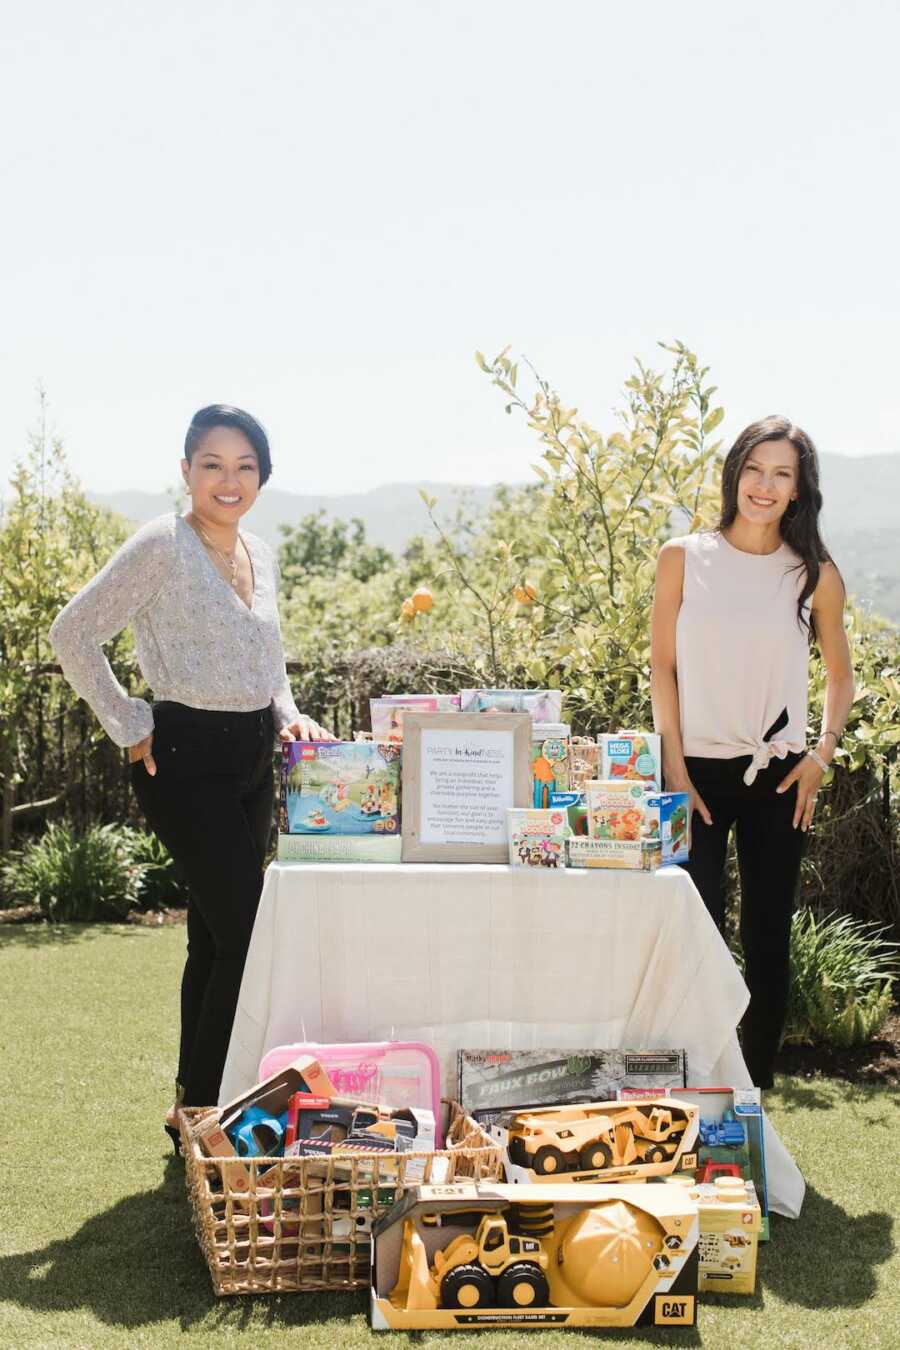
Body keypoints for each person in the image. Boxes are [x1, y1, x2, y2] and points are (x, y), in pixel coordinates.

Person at [49, 404, 335, 1148]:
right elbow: (72, 633)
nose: (228, 480)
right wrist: (128, 720)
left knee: (212, 941)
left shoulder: (260, 554)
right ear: (186, 471)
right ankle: (209, 1114)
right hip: (181, 760)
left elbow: (269, 666)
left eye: (244, 467)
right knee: (249, 934)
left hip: (252, 762)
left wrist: (289, 713)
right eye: (212, 464)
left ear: (262, 478)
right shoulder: (161, 546)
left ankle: (188, 1103)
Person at [649, 415, 855, 1089]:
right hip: (693, 773)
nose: (764, 486)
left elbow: (841, 677)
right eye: (755, 469)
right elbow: (662, 669)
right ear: (735, 473)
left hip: (779, 774)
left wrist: (820, 757)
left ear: (799, 490)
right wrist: (675, 768)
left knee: (767, 939)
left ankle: (753, 1096)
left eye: (782, 474)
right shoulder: (682, 557)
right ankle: (696, 1082)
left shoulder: (813, 575)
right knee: (695, 935)